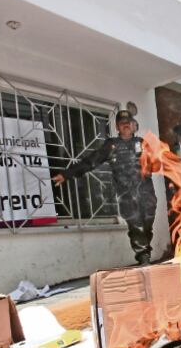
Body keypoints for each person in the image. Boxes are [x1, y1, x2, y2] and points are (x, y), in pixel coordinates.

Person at [54, 110, 157, 264]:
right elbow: (90, 162)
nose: (126, 125)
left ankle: (145, 249)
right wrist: (67, 174)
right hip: (126, 194)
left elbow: (158, 162)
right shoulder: (111, 145)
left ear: (133, 125)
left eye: (128, 122)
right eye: (122, 123)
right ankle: (144, 257)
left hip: (146, 192)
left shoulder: (143, 143)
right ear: (117, 126)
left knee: (147, 223)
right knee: (135, 224)